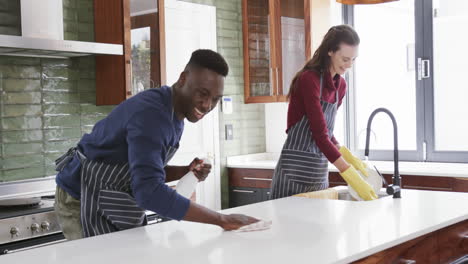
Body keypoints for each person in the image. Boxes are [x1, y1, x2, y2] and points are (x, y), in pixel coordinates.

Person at [54, 49, 259, 240]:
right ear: (183, 78)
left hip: (111, 198)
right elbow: (148, 191)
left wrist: (183, 171)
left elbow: (140, 168)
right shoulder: (152, 115)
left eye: (215, 99)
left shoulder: (175, 113)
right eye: (202, 93)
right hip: (81, 199)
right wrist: (220, 219)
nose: (207, 106)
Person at [270, 25, 378, 201]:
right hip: (293, 173)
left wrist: (347, 155)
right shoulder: (308, 79)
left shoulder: (340, 87)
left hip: (318, 173)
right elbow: (319, 135)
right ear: (330, 51)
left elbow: (326, 132)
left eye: (353, 60)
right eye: (345, 59)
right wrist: (352, 177)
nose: (349, 65)